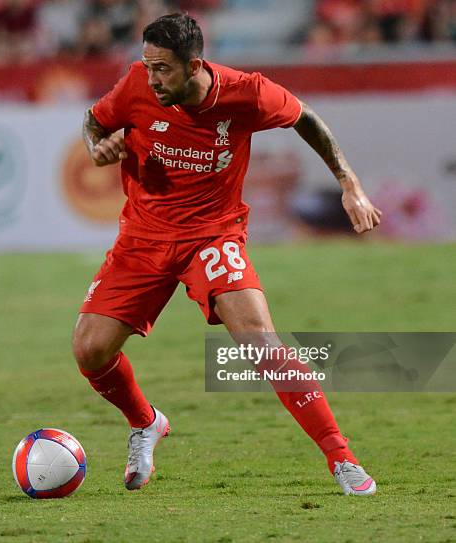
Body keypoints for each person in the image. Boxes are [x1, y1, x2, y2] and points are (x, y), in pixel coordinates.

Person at [75, 13, 381, 496]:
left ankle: (342, 458)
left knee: (261, 341)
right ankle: (146, 422)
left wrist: (350, 184)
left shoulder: (247, 93)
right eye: (147, 66)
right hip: (143, 237)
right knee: (89, 351)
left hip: (212, 237)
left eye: (163, 70)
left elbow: (306, 119)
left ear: (194, 64)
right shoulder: (136, 83)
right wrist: (97, 148)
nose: (152, 79)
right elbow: (95, 121)